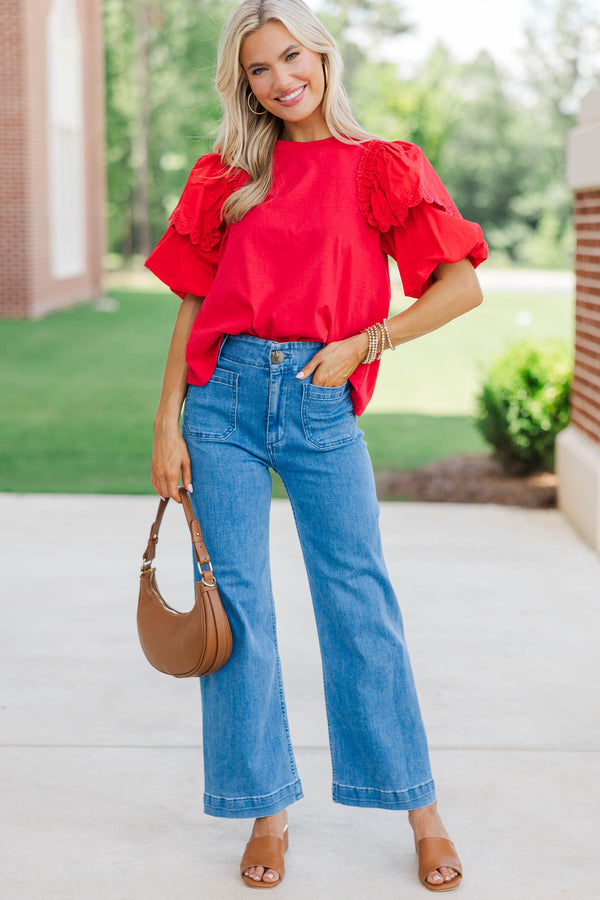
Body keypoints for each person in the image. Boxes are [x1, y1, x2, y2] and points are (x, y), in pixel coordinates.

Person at [145, 0, 487, 891]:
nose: (280, 79)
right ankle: (267, 812)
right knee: (241, 614)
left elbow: (459, 290)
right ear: (244, 84)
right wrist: (167, 422)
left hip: (319, 400)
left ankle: (419, 806)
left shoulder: (383, 167)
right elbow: (190, 304)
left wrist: (367, 343)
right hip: (220, 407)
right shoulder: (226, 174)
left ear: (323, 56)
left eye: (291, 56)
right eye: (259, 68)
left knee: (359, 604)